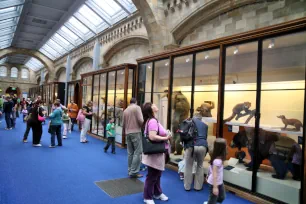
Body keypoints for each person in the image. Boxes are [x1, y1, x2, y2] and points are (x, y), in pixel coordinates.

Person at [142, 102, 172, 204]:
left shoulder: (152, 120)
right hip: (155, 153)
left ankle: (157, 193)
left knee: (157, 174)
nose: (155, 105)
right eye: (153, 104)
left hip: (157, 153)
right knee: (152, 175)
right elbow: (152, 136)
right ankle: (147, 197)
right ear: (151, 109)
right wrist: (166, 137)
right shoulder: (153, 121)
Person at [183, 113, 208, 191]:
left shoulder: (189, 121)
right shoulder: (205, 126)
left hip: (191, 146)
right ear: (201, 119)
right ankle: (198, 187)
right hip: (202, 145)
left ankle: (187, 186)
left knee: (188, 166)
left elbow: (183, 133)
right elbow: (205, 137)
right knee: (200, 166)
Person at [123, 98, 144, 178]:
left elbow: (123, 123)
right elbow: (141, 120)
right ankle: (134, 172)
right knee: (138, 152)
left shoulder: (125, 110)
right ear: (136, 102)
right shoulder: (137, 108)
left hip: (128, 132)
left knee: (130, 153)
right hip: (136, 132)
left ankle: (130, 170)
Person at [204, 138, 227, 204]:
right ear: (222, 149)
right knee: (213, 198)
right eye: (225, 146)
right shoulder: (217, 161)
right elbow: (214, 174)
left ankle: (211, 201)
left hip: (219, 182)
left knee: (222, 197)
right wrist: (215, 187)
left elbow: (210, 168)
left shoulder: (218, 157)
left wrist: (208, 175)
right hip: (214, 183)